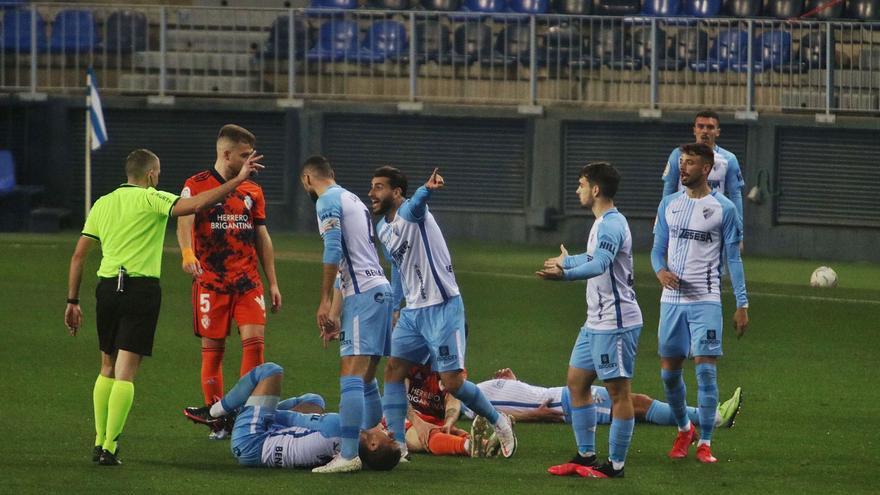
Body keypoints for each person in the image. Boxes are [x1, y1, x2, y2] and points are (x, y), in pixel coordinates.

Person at [64, 148, 264, 465]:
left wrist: (72, 301)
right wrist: (238, 179)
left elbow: (78, 255)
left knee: (106, 368)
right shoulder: (152, 198)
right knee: (125, 375)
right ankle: (110, 448)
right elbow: (197, 204)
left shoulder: (102, 203)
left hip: (106, 291)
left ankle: (99, 440)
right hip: (140, 291)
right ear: (151, 175)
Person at [368, 166, 517, 460]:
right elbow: (397, 269)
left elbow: (418, 202)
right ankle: (398, 444)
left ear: (397, 193)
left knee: (452, 383)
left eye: (379, 187)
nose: (372, 193)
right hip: (413, 314)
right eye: (371, 187)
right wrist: (395, 307)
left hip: (443, 308)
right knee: (394, 371)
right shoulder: (382, 229)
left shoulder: (411, 213)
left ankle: (500, 421)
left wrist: (427, 188)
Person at [536, 161, 643, 479]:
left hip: (616, 323)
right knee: (576, 383)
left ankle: (616, 466)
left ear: (596, 189)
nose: (578, 189)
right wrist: (567, 259)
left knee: (618, 393)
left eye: (581, 184)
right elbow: (594, 256)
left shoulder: (611, 224)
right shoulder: (603, 222)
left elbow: (600, 265)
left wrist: (564, 274)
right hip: (594, 322)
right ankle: (585, 456)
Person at [177, 124, 282, 439]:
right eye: (245, 155)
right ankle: (217, 417)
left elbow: (261, 236)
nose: (252, 161)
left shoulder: (253, 190)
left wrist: (273, 283)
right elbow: (184, 219)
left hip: (248, 282)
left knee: (255, 345)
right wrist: (186, 253)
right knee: (214, 351)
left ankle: (247, 415)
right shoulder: (196, 185)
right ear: (226, 154)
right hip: (211, 283)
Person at [652, 142, 750, 464]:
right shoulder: (668, 204)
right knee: (669, 375)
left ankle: (705, 442)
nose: (683, 168)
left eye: (690, 163)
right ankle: (684, 429)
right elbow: (656, 250)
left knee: (706, 374)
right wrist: (660, 271)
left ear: (705, 168)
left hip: (706, 301)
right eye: (682, 162)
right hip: (671, 302)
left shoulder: (725, 209)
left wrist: (742, 303)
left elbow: (733, 259)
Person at [299, 155, 393, 473]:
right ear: (333, 174)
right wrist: (337, 313)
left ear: (307, 180)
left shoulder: (326, 200)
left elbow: (334, 251)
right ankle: (381, 443)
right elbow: (350, 261)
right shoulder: (351, 198)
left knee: (350, 374)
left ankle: (350, 453)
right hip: (380, 289)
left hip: (363, 293)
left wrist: (325, 300)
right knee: (367, 379)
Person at [183, 363, 401, 471]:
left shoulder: (337, 427)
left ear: (372, 445)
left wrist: (249, 408)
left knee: (270, 371)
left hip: (251, 441)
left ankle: (214, 413)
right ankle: (236, 416)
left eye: (389, 438)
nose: (389, 432)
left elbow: (285, 418)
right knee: (314, 400)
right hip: (263, 443)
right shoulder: (347, 446)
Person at [470, 368, 743, 430]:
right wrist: (534, 415)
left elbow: (507, 402)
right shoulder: (461, 402)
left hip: (557, 397)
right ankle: (714, 418)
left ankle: (708, 417)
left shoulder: (469, 388)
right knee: (637, 404)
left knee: (635, 403)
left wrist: (513, 383)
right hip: (561, 403)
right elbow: (490, 419)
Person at [662, 110, 745, 250]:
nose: (705, 131)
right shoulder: (678, 155)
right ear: (694, 130)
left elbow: (735, 196)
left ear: (717, 132)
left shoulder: (729, 159)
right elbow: (668, 190)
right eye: (700, 126)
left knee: (715, 269)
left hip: (714, 224)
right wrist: (662, 227)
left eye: (710, 127)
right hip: (681, 222)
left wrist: (738, 233)